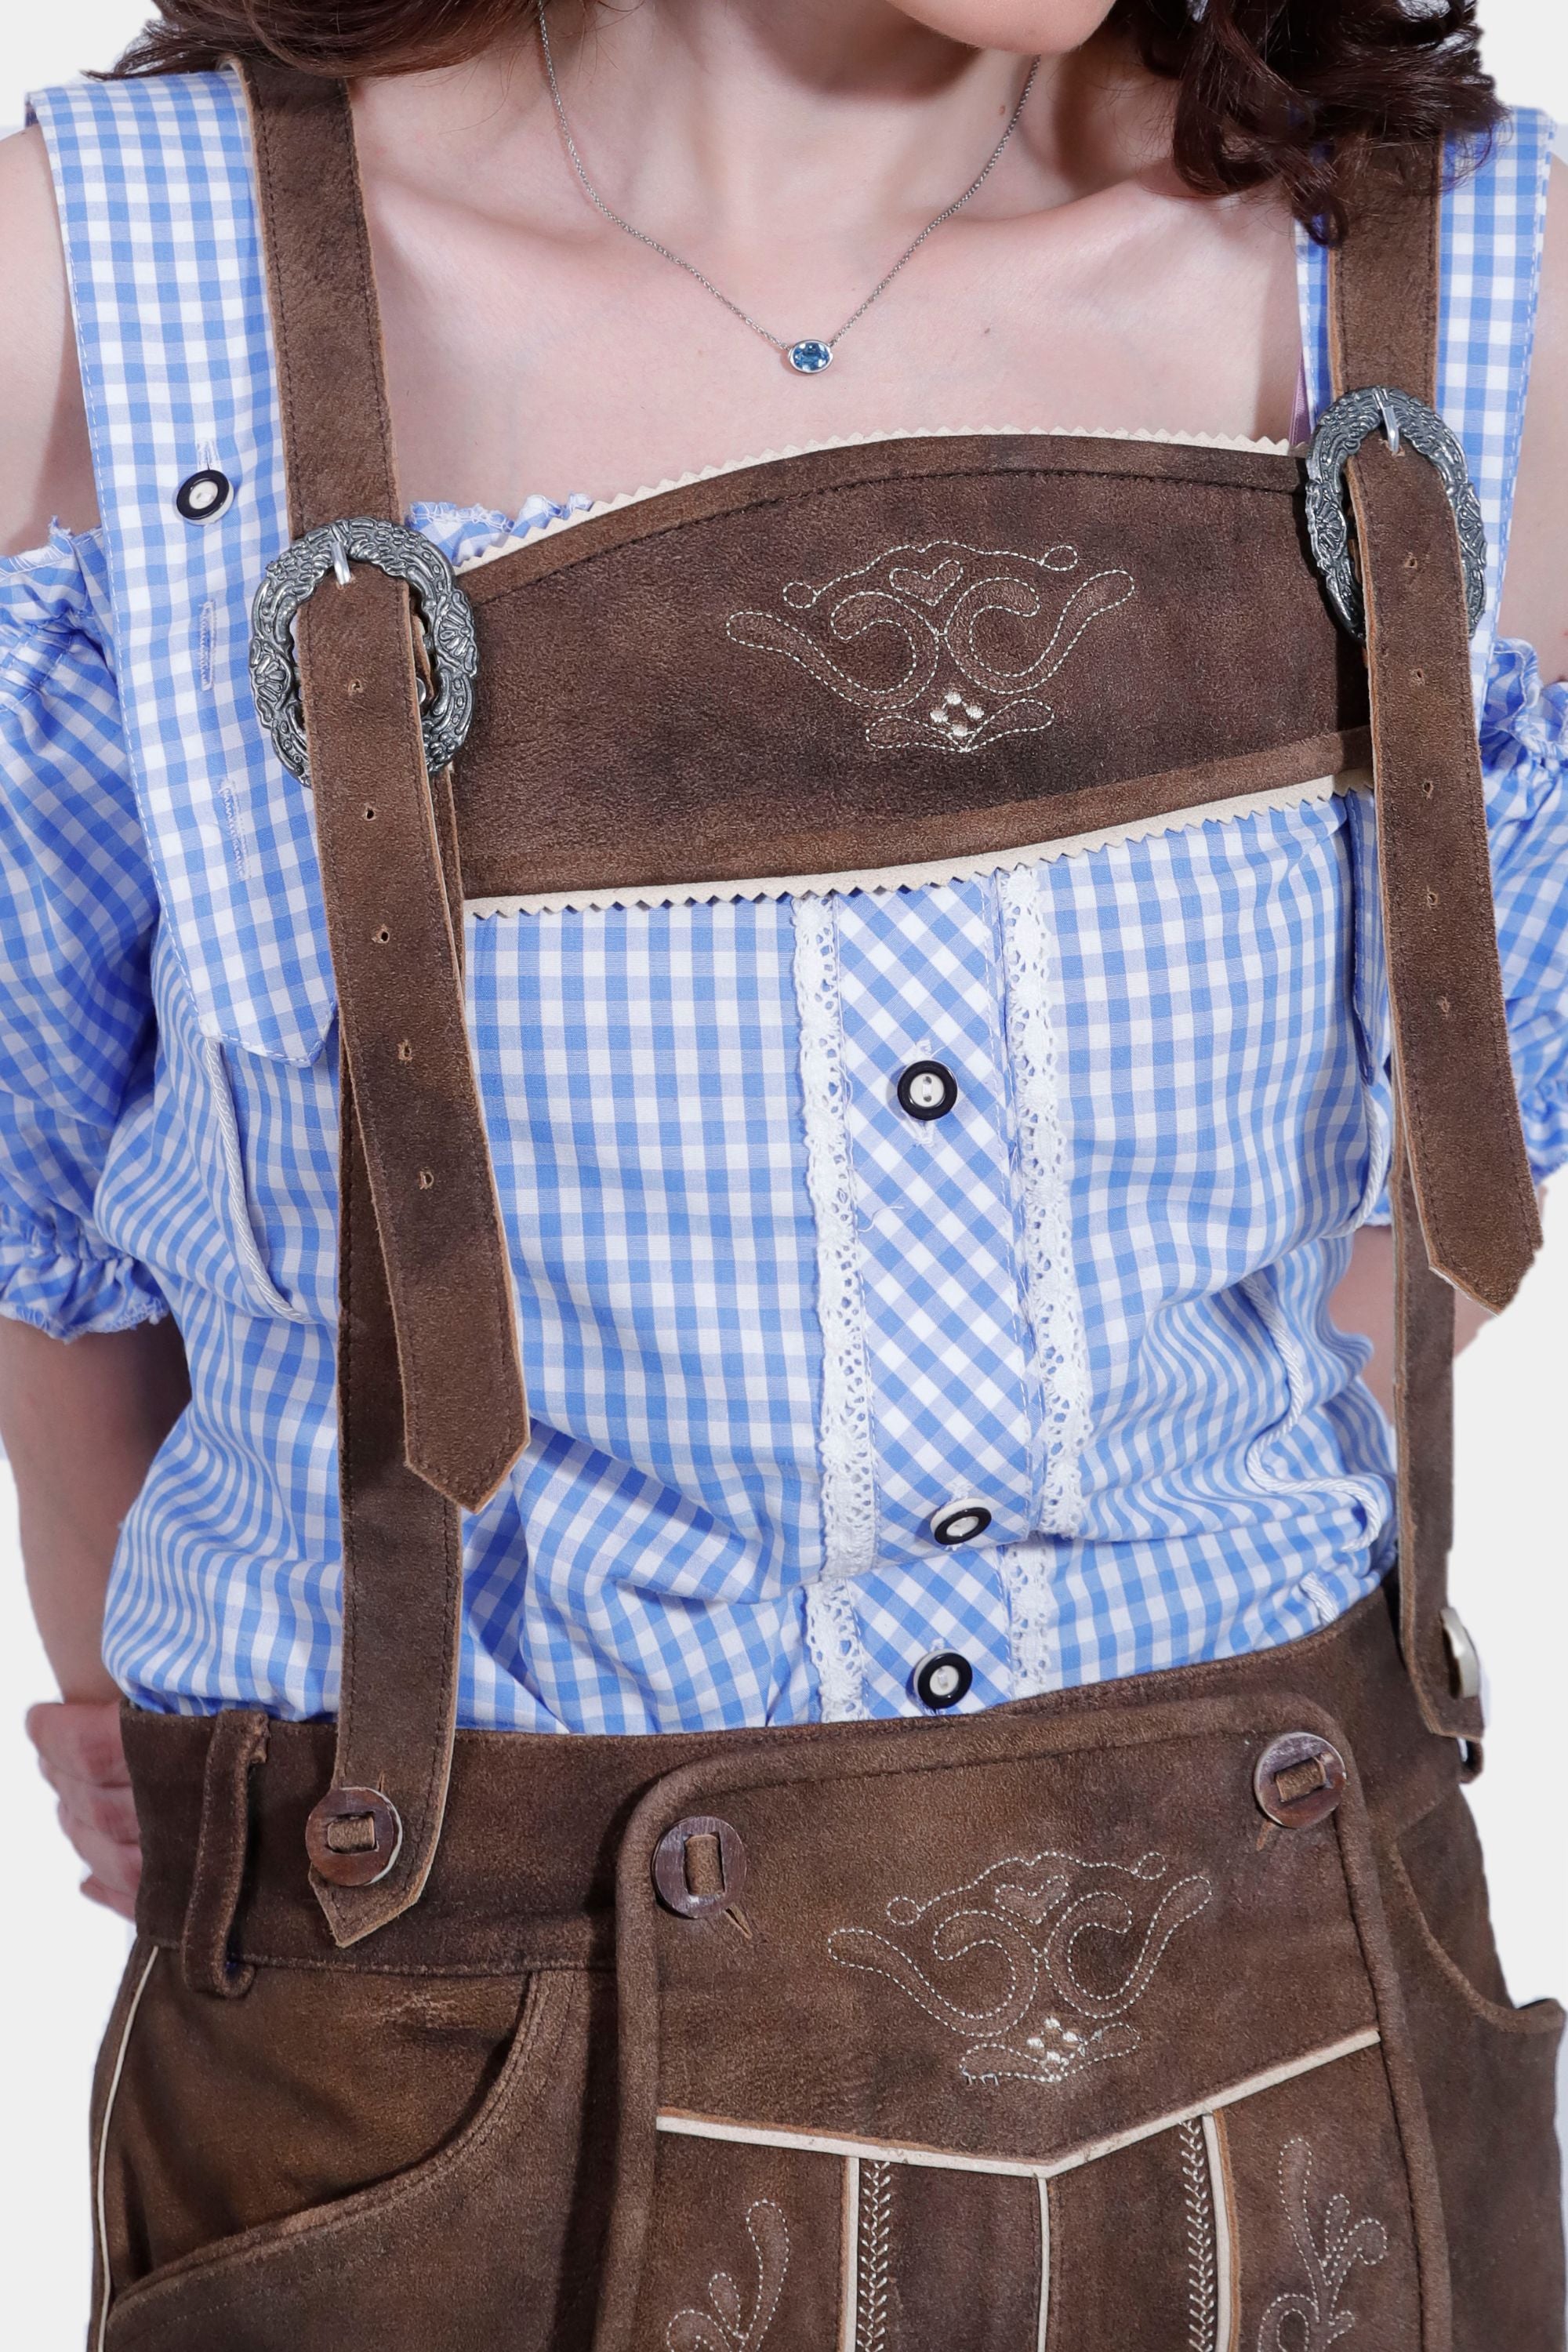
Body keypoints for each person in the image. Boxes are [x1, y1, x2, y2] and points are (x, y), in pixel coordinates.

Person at [1, 1, 1564, 2343]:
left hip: (1292, 2018)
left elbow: (1434, 1192)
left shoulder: (1448, 266)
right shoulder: (114, 287)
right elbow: (37, 1203)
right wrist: (217, 1717)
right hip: (433, 2054)